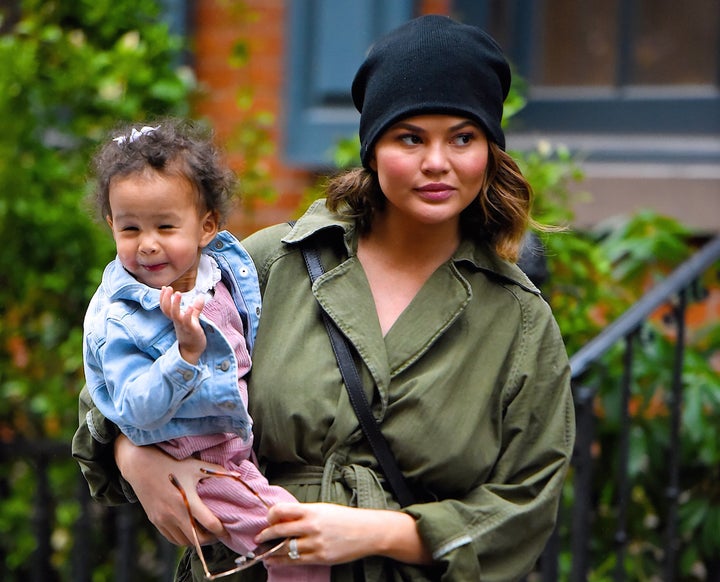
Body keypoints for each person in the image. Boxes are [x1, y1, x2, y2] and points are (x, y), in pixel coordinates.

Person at [73, 15, 575, 582]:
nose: (437, 162)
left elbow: (525, 506)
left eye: (463, 137)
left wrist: (377, 531)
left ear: (488, 150)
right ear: (373, 148)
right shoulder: (266, 265)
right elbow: (120, 366)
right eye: (410, 137)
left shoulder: (518, 319)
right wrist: (134, 458)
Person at [80, 119, 328, 582]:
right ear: (111, 224)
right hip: (197, 461)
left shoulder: (226, 269)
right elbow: (130, 408)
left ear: (206, 226)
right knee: (296, 544)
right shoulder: (118, 316)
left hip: (235, 449)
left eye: (166, 226)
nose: (148, 244)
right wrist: (183, 357)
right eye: (130, 228)